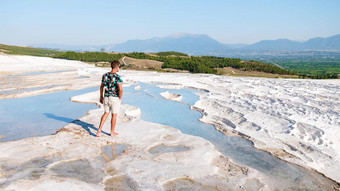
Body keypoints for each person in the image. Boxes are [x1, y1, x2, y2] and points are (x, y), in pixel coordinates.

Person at [96, 60, 123, 137]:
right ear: (117, 67)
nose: (119, 68)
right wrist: (119, 98)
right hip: (114, 98)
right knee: (114, 115)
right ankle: (112, 132)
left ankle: (99, 130)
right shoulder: (117, 77)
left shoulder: (105, 75)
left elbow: (101, 87)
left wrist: (101, 96)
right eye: (119, 67)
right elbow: (120, 90)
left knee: (106, 113)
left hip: (106, 97)